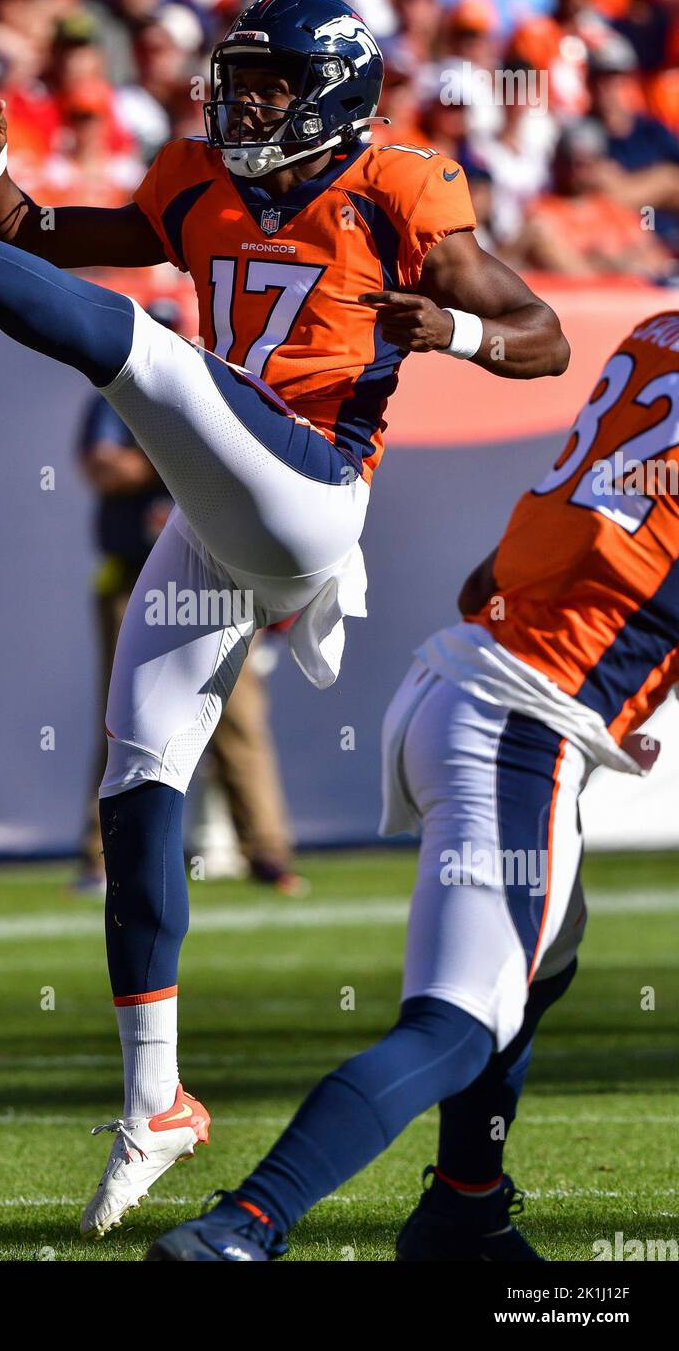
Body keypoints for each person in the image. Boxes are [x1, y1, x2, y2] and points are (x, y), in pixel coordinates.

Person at [0, 0, 568, 1239]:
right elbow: (47, 239)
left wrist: (462, 329)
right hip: (216, 501)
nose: (241, 102)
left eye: (268, 84)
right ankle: (157, 1102)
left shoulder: (406, 186)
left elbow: (547, 337)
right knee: (139, 769)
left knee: (151, 352)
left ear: (337, 95)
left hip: (311, 485)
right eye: (236, 78)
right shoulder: (197, 171)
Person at [147, 308, 679, 1260]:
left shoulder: (657, 334)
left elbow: (488, 582)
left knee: (544, 961)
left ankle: (464, 1211)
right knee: (458, 1019)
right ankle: (245, 1226)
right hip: (519, 728)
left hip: (468, 680)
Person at [74, 302, 304, 898]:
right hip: (135, 576)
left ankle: (268, 852)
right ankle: (103, 857)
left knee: (240, 717)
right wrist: (178, 455)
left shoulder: (216, 385)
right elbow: (105, 466)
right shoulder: (114, 394)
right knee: (124, 717)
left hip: (217, 576)